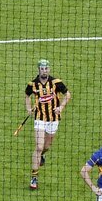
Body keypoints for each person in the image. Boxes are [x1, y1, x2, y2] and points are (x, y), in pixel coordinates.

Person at [24, 59, 70, 189]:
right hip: (39, 118)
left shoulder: (56, 82)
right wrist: (28, 108)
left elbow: (67, 94)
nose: (44, 71)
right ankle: (34, 178)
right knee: (38, 147)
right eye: (42, 69)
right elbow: (27, 96)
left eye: (46, 68)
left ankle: (42, 155)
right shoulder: (32, 84)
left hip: (53, 119)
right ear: (38, 70)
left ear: (49, 69)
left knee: (46, 146)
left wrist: (61, 107)